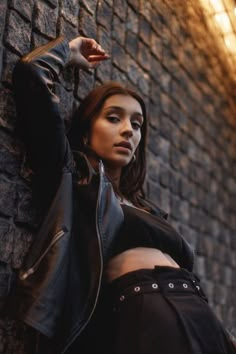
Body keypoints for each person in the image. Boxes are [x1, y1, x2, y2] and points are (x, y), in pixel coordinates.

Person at [9, 34, 236, 354]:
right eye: (114, 118)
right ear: (86, 133)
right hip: (144, 315)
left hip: (201, 316)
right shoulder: (75, 179)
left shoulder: (148, 208)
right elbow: (31, 74)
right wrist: (68, 51)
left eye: (137, 123)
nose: (129, 130)